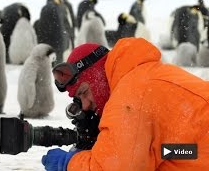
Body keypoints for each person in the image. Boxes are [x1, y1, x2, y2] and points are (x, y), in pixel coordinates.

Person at [41, 37, 209, 170]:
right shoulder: (144, 76)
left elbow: (115, 167)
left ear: (97, 73)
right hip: (191, 153)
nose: (84, 105)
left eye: (84, 92)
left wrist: (69, 164)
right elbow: (178, 151)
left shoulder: (131, 93)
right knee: (165, 154)